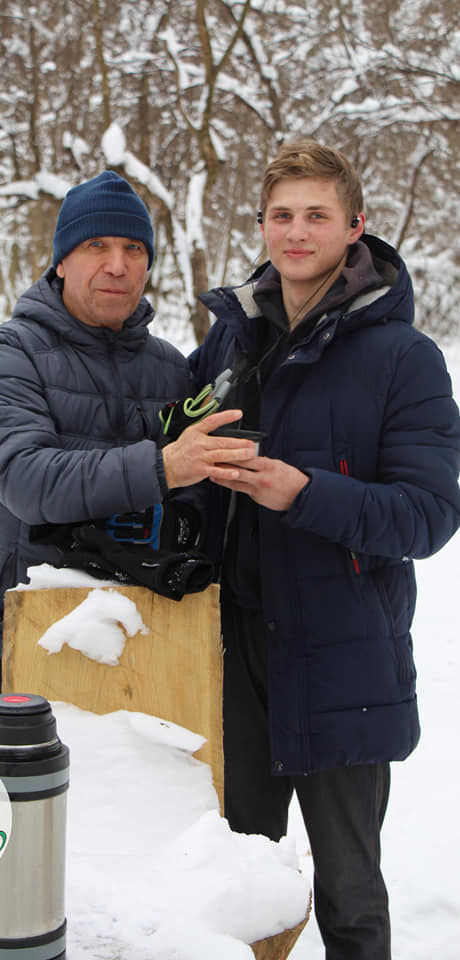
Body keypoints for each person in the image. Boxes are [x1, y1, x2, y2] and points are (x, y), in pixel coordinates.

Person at [189, 140, 460, 959]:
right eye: (281, 215)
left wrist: (305, 494)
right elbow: (182, 450)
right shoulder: (231, 343)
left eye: (316, 215)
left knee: (349, 898)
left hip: (347, 661)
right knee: (237, 891)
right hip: (237, 659)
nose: (296, 232)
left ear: (355, 229)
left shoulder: (402, 358)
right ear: (263, 225)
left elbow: (428, 515)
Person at [0, 170, 254, 747]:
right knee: (4, 828)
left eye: (133, 249)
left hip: (147, 633)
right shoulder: (10, 353)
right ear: (61, 260)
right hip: (19, 633)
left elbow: (195, 496)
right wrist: (162, 467)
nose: (117, 265)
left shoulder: (172, 369)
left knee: (136, 828)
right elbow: (25, 480)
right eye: (96, 246)